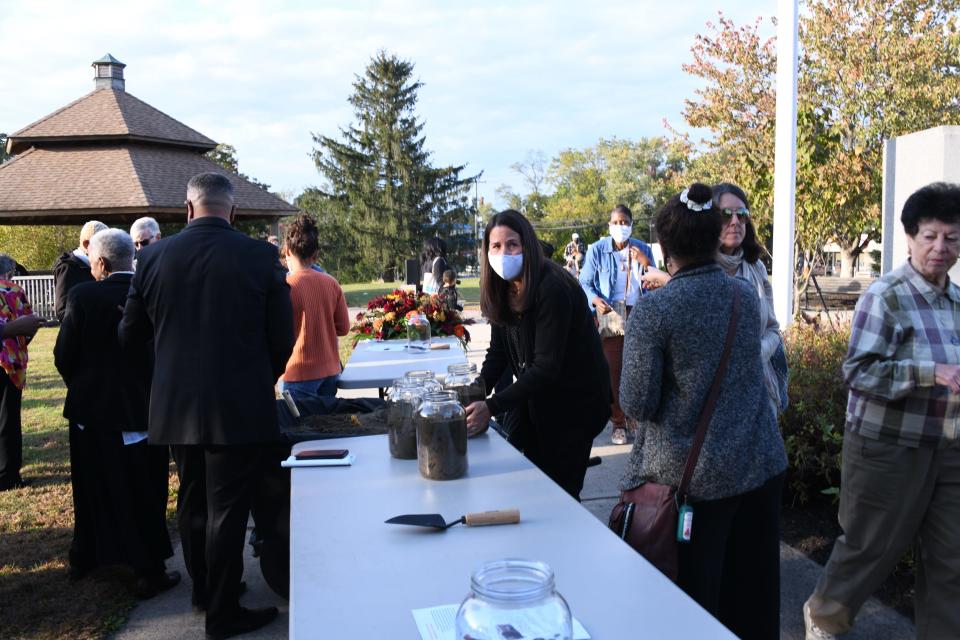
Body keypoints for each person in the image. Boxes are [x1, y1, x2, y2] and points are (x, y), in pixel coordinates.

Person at [119, 173, 293, 639]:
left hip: (174, 405)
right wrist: (261, 379)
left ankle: (204, 591)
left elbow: (129, 336)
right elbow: (282, 337)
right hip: (237, 404)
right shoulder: (259, 256)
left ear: (187, 208)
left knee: (194, 500)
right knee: (227, 510)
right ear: (232, 212)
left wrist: (165, 376)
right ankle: (221, 612)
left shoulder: (152, 258)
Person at [619, 183, 786, 639]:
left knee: (694, 610)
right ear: (714, 238)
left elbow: (636, 402)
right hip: (756, 467)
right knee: (752, 603)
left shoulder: (656, 310)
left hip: (692, 486)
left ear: (665, 247)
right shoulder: (743, 296)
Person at [803, 183, 960, 640]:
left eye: (951, 237)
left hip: (948, 450)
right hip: (887, 448)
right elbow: (859, 373)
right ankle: (824, 622)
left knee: (951, 559)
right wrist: (931, 373)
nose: (940, 247)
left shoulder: (956, 301)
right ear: (910, 237)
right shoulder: (886, 296)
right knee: (868, 549)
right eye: (930, 236)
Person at [54, 229, 178, 597]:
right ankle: (147, 566)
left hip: (90, 412)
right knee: (144, 490)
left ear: (102, 263)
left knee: (91, 486)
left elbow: (64, 355)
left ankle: (87, 555)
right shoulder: (151, 291)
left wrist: (83, 385)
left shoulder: (82, 295)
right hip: (141, 409)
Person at [464, 209, 611, 500]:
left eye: (512, 244)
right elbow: (498, 354)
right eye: (496, 246)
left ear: (527, 245)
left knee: (560, 495)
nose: (503, 252)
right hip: (539, 398)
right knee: (525, 485)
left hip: (575, 406)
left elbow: (546, 367)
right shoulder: (503, 287)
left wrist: (490, 407)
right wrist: (472, 396)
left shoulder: (551, 286)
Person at [643, 183, 787, 415]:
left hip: (756, 392)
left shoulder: (755, 268)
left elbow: (772, 328)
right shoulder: (691, 267)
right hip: (707, 403)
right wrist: (669, 281)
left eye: (742, 215)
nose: (735, 222)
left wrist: (752, 354)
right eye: (725, 215)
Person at [579, 204, 655, 445]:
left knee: (639, 368)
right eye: (616, 222)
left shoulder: (642, 248)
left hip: (638, 312)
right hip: (611, 313)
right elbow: (584, 282)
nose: (621, 226)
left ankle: (637, 419)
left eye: (625, 222)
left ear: (631, 224)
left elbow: (654, 281)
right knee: (613, 369)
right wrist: (594, 300)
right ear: (609, 225)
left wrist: (645, 262)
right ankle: (619, 423)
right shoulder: (597, 249)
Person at [279, 214, 350, 400]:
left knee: (300, 427)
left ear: (286, 250)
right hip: (330, 371)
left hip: (298, 372)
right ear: (316, 255)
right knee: (326, 423)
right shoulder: (332, 283)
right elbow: (343, 329)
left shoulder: (285, 287)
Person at [0, 254, 41, 491]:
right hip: (9, 360)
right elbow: (29, 323)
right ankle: (8, 474)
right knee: (8, 416)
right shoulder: (13, 290)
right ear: (9, 273)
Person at [53, 220, 108, 321]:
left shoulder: (102, 264)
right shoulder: (68, 268)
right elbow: (62, 311)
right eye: (103, 244)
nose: (107, 249)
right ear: (87, 244)